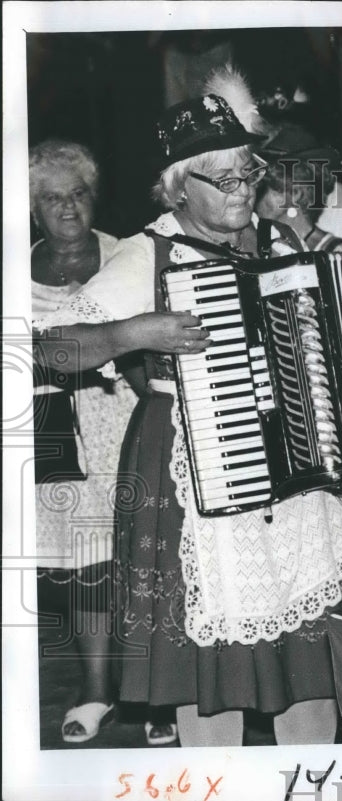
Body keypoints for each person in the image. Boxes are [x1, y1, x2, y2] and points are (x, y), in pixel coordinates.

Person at [35, 76, 342, 746]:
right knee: (208, 663)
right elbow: (53, 349)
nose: (243, 188)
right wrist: (135, 333)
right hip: (191, 474)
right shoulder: (145, 253)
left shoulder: (284, 243)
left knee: (307, 656)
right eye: (222, 179)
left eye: (247, 171)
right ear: (178, 186)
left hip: (293, 475)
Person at [29, 140, 177, 746]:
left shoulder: (129, 257)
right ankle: (96, 691)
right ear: (32, 207)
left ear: (95, 198)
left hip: (129, 419)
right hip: (53, 432)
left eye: (78, 194)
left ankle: (162, 695)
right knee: (83, 568)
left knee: (148, 559)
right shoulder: (15, 267)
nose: (67, 208)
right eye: (51, 198)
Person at [255, 122, 342, 251]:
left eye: (264, 188)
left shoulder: (340, 257)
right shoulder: (269, 246)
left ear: (295, 195)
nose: (253, 193)